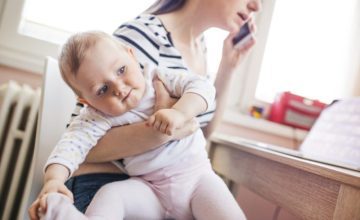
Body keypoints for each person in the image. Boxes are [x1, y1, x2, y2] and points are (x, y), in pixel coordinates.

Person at [29, 0, 261, 218]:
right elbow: (77, 144)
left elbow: (200, 123)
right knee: (111, 196)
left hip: (195, 178)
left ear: (131, 57)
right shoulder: (141, 38)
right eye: (103, 89)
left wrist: (227, 69)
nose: (119, 88)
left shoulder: (193, 52)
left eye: (121, 72)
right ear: (88, 100)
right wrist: (53, 180)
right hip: (141, 185)